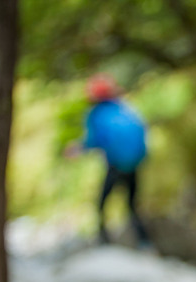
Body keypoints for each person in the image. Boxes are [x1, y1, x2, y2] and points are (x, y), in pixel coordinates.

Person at [64, 73, 151, 247]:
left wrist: (77, 149)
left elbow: (96, 139)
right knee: (132, 204)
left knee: (102, 202)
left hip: (116, 163)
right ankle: (144, 242)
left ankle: (104, 240)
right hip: (134, 163)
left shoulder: (96, 114)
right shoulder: (125, 107)